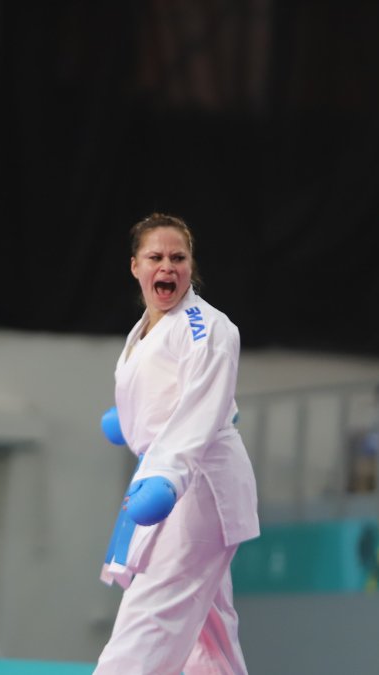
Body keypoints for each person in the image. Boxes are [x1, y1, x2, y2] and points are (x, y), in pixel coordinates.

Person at [95, 213, 259, 674]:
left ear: (191, 267)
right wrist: (129, 423)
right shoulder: (149, 326)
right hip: (175, 478)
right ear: (135, 267)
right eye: (155, 257)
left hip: (194, 486)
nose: (167, 266)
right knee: (211, 635)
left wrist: (167, 477)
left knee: (150, 620)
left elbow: (202, 409)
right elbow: (171, 394)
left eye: (178, 257)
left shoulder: (205, 326)